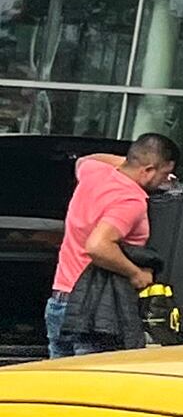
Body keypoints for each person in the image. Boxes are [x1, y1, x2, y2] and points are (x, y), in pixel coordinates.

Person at [47, 131, 176, 357]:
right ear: (147, 171)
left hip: (59, 301)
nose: (167, 180)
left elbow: (84, 160)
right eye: (165, 173)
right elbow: (97, 246)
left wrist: (132, 163)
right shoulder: (130, 199)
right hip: (94, 311)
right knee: (90, 387)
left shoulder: (95, 173)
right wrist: (136, 273)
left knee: (55, 387)